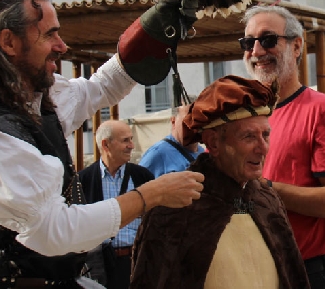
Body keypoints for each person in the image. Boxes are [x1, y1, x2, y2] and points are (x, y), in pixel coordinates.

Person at [0, 0, 204, 288]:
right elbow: (53, 230)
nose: (62, 46)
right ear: (9, 41)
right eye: (49, 34)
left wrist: (151, 30)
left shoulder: (34, 99)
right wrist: (151, 195)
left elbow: (100, 87)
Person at [130, 75, 310, 289]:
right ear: (214, 143)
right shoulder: (175, 208)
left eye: (266, 135)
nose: (263, 148)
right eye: (249, 137)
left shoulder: (267, 201)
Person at [241, 5, 325, 289]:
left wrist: (267, 190)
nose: (256, 51)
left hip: (303, 274)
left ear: (296, 46)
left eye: (267, 39)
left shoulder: (323, 111)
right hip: (245, 270)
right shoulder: (239, 113)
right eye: (248, 42)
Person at [79, 120, 154, 289]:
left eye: (131, 139)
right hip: (100, 266)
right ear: (106, 144)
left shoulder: (143, 177)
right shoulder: (83, 181)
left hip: (137, 262)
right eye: (125, 140)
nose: (132, 145)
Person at [139, 104, 205, 177]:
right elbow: (138, 185)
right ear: (173, 121)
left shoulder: (202, 152)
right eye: (187, 121)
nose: (194, 126)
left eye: (198, 120)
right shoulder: (157, 153)